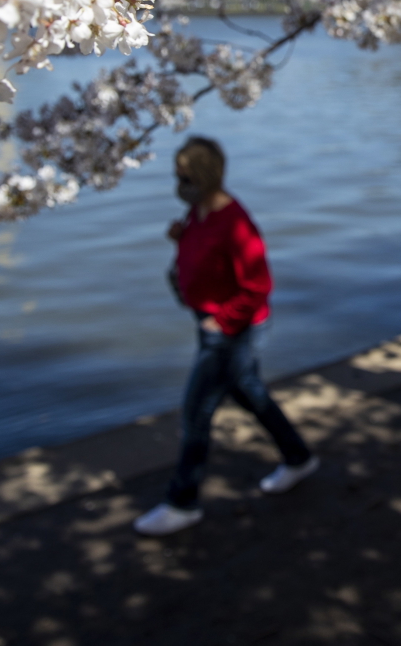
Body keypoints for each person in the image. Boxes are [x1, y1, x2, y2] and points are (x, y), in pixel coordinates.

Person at [133, 137, 318, 537]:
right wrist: (180, 240)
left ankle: (182, 502)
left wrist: (225, 322)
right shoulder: (197, 212)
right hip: (210, 320)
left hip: (233, 329)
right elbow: (203, 256)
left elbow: (258, 286)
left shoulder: (235, 223)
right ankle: (299, 456)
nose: (178, 182)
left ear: (203, 176)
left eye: (184, 176)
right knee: (248, 391)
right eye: (176, 175)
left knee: (196, 411)